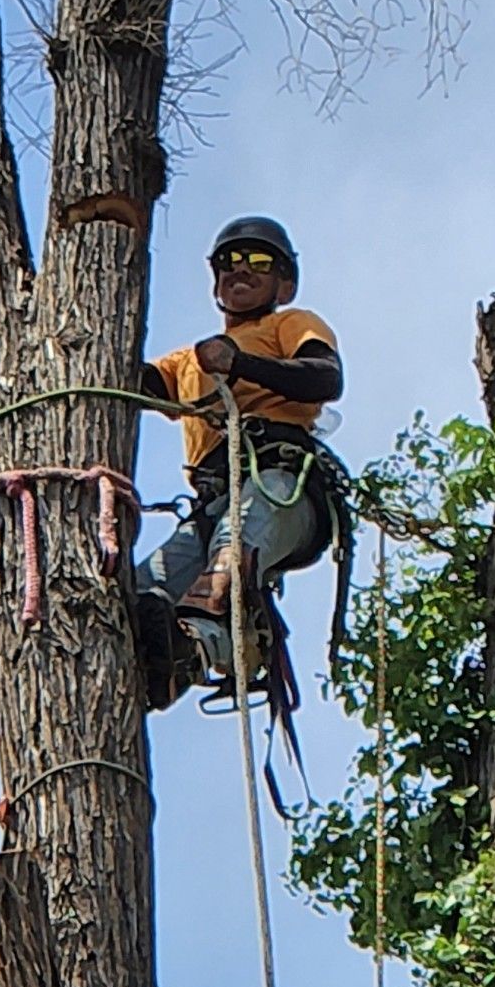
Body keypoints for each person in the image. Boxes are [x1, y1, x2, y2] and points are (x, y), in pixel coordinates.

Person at [135, 216, 343, 709]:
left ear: (284, 282)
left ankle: (210, 640)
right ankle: (154, 668)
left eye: (258, 261)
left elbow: (324, 378)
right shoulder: (187, 362)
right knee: (141, 591)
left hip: (282, 488)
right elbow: (133, 384)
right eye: (229, 262)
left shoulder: (290, 324)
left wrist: (241, 364)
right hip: (215, 505)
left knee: (234, 544)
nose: (240, 270)